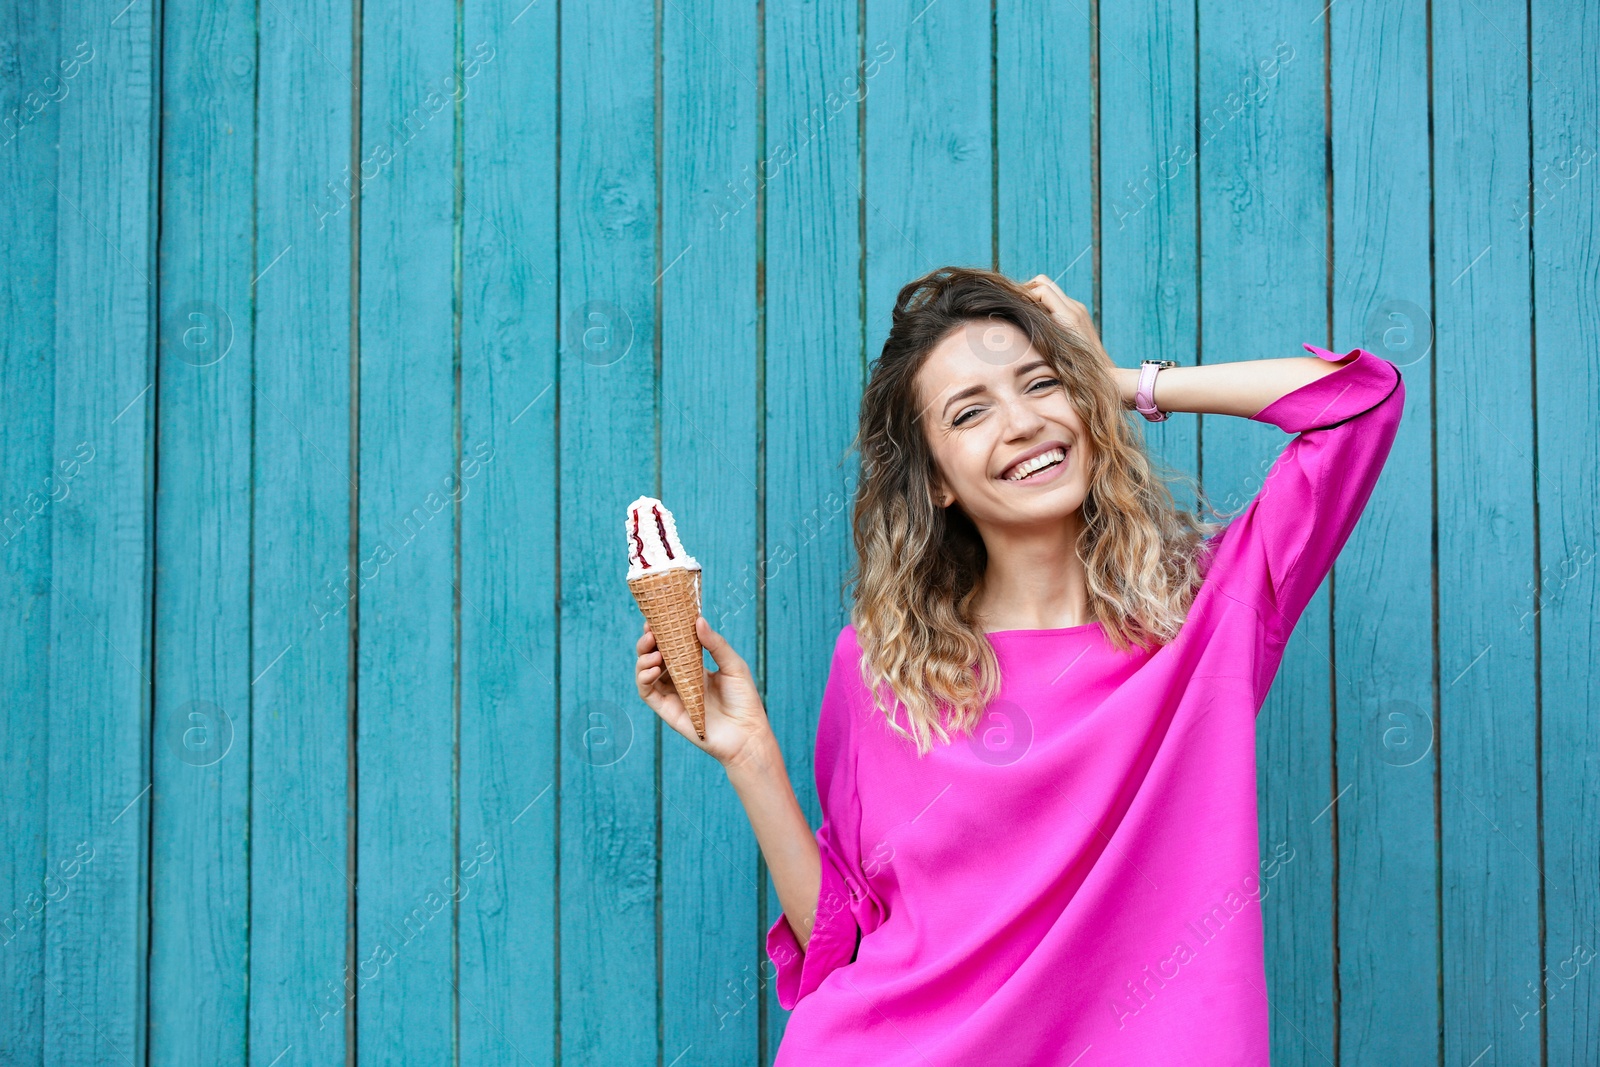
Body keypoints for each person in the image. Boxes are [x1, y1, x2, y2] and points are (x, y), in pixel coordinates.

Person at [634, 265, 1405, 1064]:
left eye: (1041, 384)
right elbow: (842, 939)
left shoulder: (1213, 612)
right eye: (970, 411)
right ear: (934, 480)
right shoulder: (879, 668)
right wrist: (750, 753)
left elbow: (1360, 403)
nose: (1023, 422)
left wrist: (1111, 379)